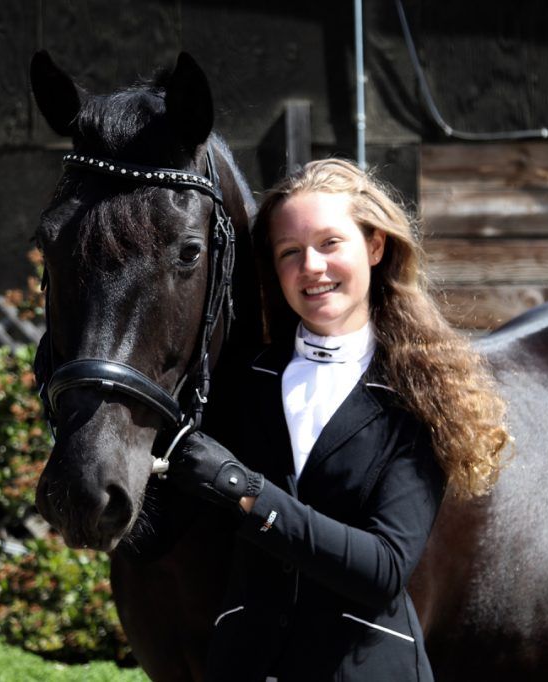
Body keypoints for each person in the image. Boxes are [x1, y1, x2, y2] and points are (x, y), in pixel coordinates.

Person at [169, 158, 509, 681]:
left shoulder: (422, 393)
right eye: (290, 252)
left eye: (330, 243)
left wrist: (246, 492)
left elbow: (384, 569)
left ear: (374, 247)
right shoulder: (241, 381)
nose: (311, 266)